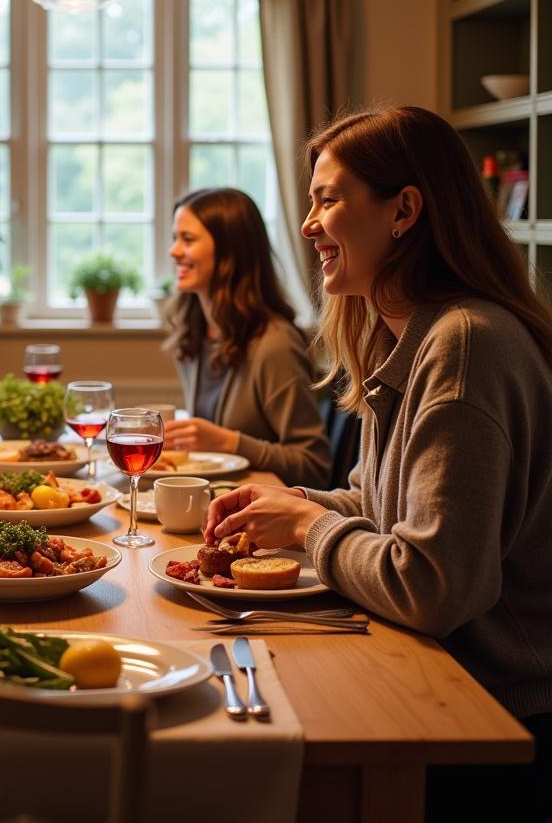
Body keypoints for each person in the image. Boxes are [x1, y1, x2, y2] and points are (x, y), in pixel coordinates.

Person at [205, 107, 552, 820]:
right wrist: (289, 506)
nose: (307, 227)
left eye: (327, 199)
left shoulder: (465, 346)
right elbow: (374, 502)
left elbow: (434, 587)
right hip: (443, 680)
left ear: (404, 211)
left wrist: (305, 527)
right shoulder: (417, 336)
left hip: (493, 721)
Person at [163, 187, 330, 488]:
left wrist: (231, 443)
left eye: (187, 239)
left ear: (230, 250)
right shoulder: (195, 332)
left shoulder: (275, 343)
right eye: (175, 238)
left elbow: (313, 466)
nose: (173, 251)